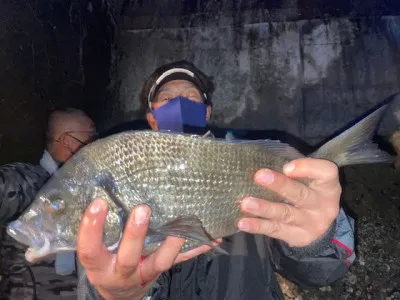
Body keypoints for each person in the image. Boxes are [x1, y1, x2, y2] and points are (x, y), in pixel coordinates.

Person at [77, 61, 355, 300]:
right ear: (152, 118)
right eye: (167, 96)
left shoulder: (247, 164)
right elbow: (95, 278)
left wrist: (317, 238)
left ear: (206, 112)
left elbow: (320, 271)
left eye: (190, 95)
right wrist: (117, 293)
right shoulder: (122, 176)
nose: (180, 102)